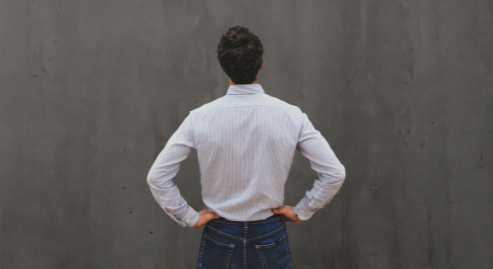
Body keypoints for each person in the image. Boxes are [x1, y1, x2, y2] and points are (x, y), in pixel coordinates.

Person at [146, 26, 346, 269]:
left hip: (220, 234)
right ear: (261, 63)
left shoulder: (199, 118)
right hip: (269, 233)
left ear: (222, 66)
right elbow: (334, 173)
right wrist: (303, 210)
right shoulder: (291, 116)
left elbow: (157, 177)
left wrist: (189, 217)